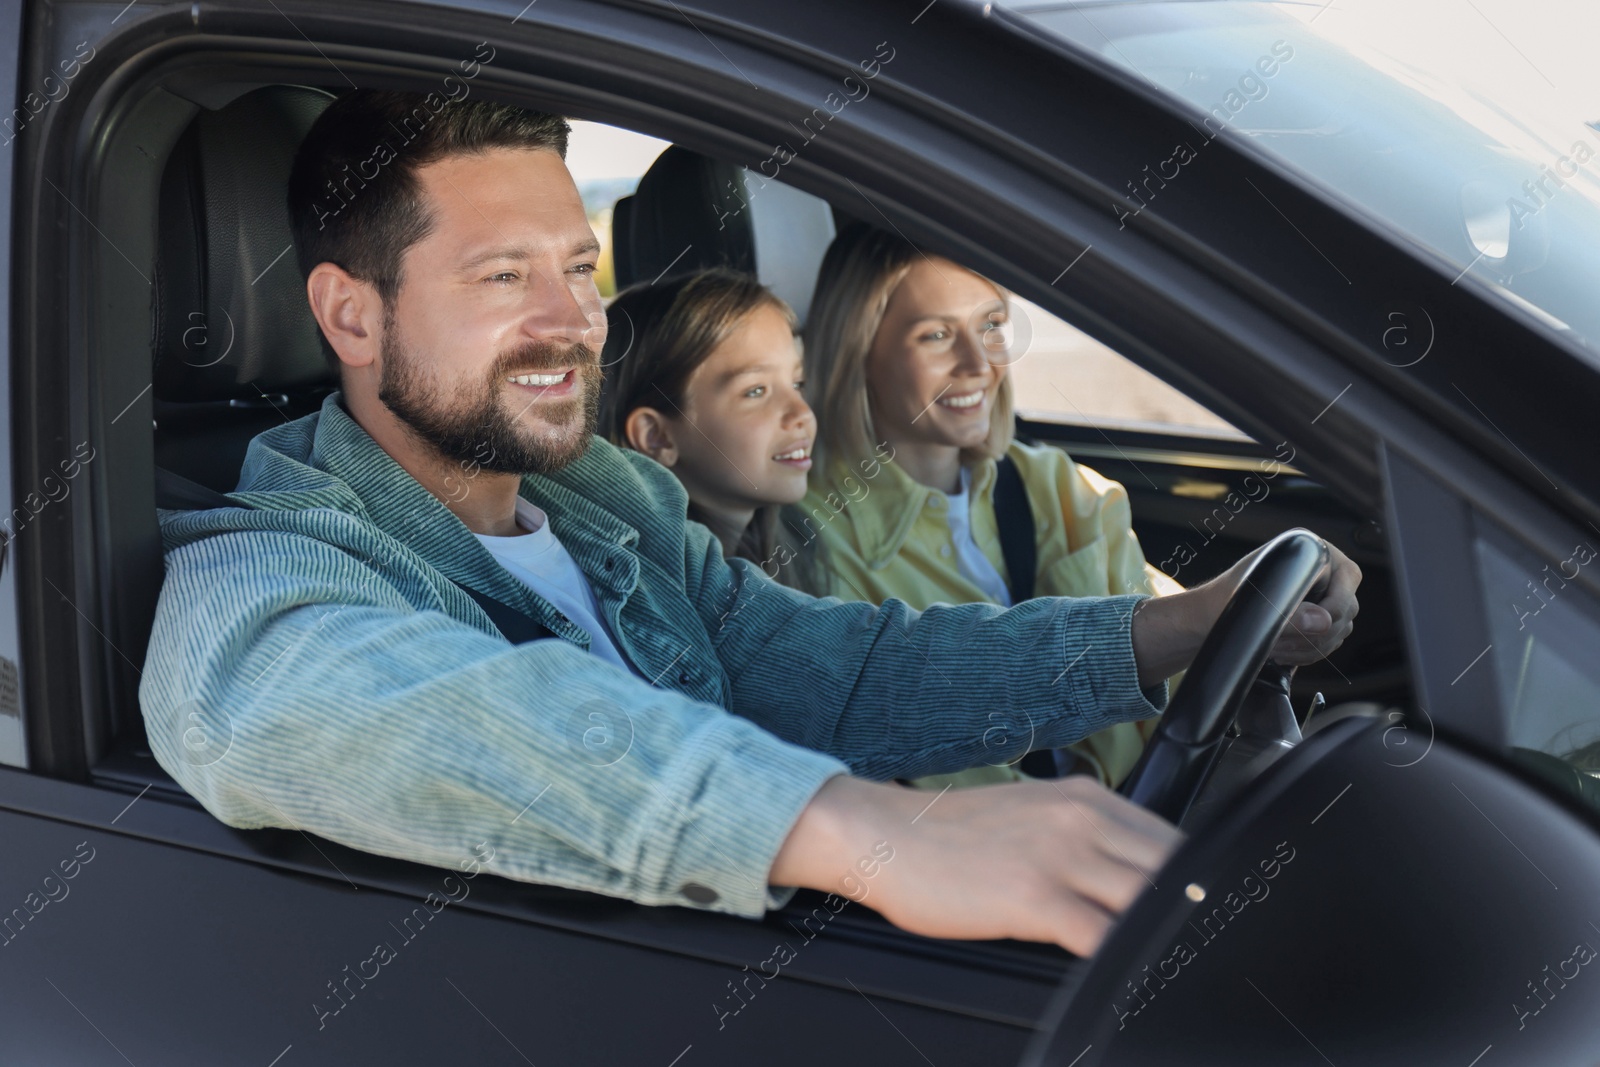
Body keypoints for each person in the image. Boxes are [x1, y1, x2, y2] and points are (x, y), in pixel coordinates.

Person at [139, 90, 1361, 958]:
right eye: (503, 276)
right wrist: (865, 829)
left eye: (579, 265)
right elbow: (336, 703)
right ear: (351, 317)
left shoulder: (606, 502)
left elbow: (834, 669)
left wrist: (1162, 634)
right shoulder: (271, 559)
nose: (574, 322)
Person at [801, 222, 1181, 789]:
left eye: (992, 326)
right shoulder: (816, 538)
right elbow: (941, 789)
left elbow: (1181, 642)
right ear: (858, 349)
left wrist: (1261, 605)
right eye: (935, 335)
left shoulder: (1058, 487)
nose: (978, 364)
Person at [596, 270, 820, 591]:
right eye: (756, 391)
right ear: (657, 436)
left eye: (797, 384)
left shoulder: (800, 543)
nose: (803, 413)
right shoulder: (661, 589)